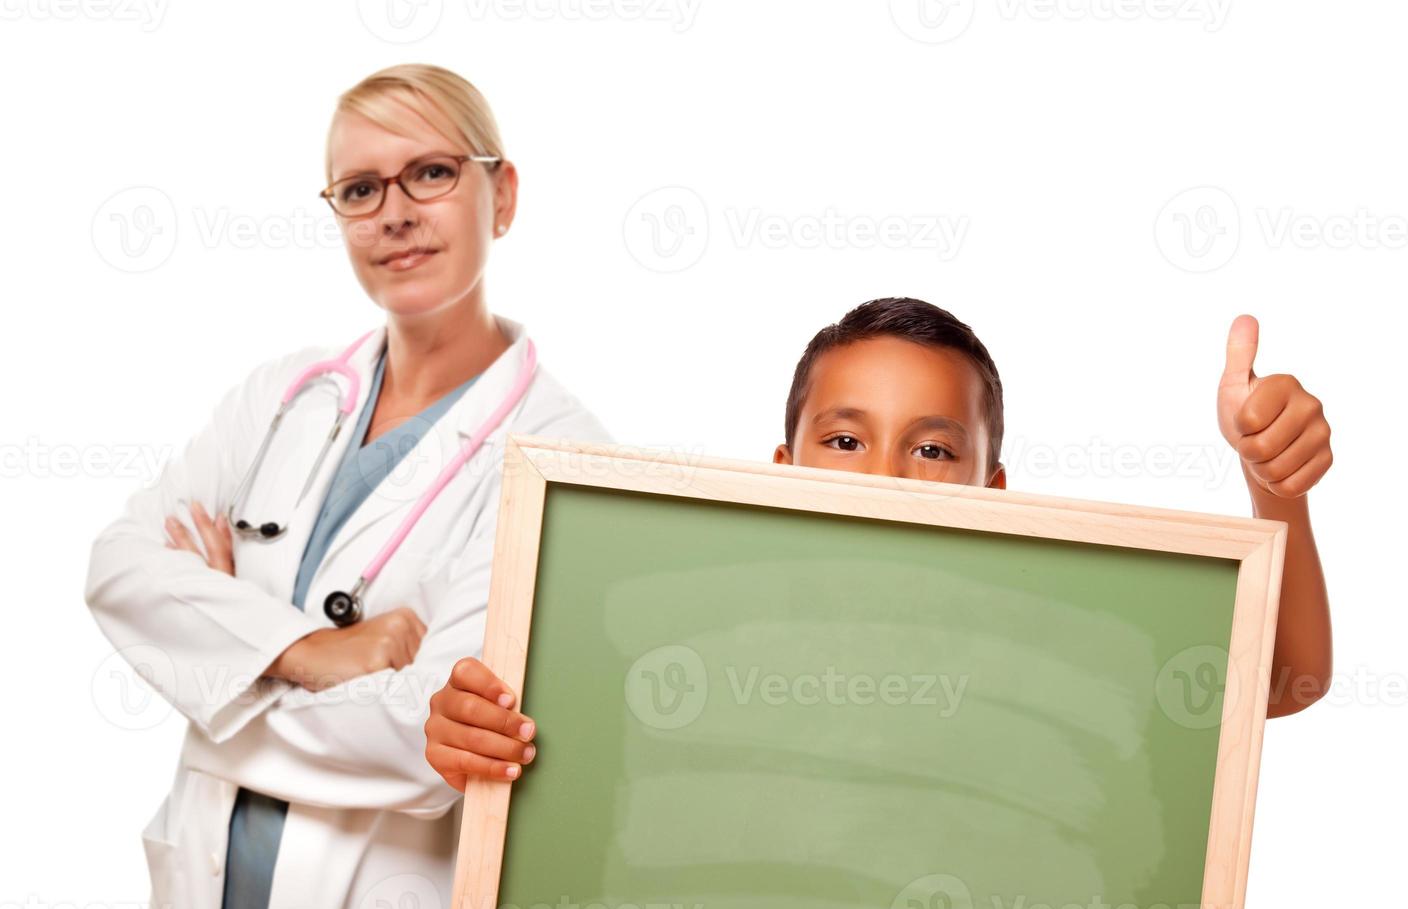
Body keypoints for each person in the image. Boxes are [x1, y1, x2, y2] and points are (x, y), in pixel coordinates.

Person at [83, 63, 605, 909]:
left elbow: (421, 744)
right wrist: (305, 652)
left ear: (504, 193)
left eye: (431, 173)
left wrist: (213, 661)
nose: (395, 213)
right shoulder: (284, 397)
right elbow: (120, 569)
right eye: (361, 189)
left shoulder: (560, 455)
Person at [424, 297, 1333, 797]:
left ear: (994, 489)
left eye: (934, 449)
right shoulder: (677, 656)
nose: (888, 477)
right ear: (783, 468)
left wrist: (1275, 486)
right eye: (847, 440)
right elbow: (547, 765)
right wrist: (475, 736)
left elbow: (1286, 678)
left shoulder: (1058, 651)